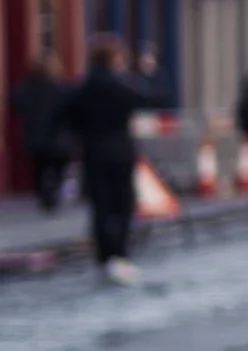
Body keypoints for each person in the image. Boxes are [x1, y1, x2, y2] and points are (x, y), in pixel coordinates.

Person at [56, 35, 166, 282]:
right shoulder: (121, 86)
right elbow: (151, 98)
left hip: (93, 151)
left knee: (100, 205)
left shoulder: (81, 88)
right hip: (120, 150)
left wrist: (80, 133)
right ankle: (119, 253)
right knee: (123, 204)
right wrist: (150, 73)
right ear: (114, 59)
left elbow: (64, 115)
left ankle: (105, 255)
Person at [11, 49, 71, 211]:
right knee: (57, 167)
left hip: (36, 136)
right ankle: (52, 193)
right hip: (57, 137)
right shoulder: (60, 87)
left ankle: (44, 194)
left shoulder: (27, 87)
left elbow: (15, 102)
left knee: (39, 168)